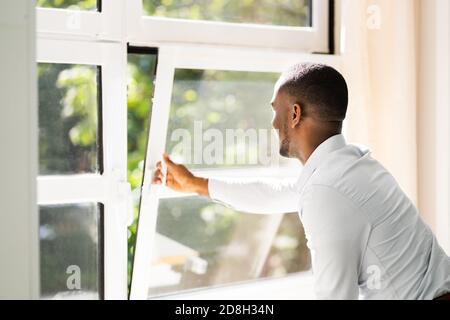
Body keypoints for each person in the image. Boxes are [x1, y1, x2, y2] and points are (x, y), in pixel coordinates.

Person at [152, 63, 450, 300]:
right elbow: (273, 194)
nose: (272, 123)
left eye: (275, 110)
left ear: (294, 113)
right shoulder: (351, 164)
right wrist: (194, 184)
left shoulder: (327, 191)